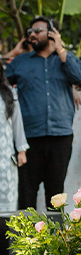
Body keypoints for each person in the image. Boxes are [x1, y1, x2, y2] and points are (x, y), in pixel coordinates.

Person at [6, 16, 81, 210]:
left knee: (55, 195)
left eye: (37, 31)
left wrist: (61, 49)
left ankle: (56, 240)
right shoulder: (21, 62)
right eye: (29, 32)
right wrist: (13, 53)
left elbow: (80, 78)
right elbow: (2, 82)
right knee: (26, 193)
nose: (32, 35)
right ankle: (26, 240)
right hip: (28, 139)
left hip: (60, 137)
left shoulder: (65, 58)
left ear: (51, 34)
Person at [0, 67, 28, 212]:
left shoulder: (9, 93)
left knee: (7, 210)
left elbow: (17, 123)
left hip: (5, 158)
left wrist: (21, 150)